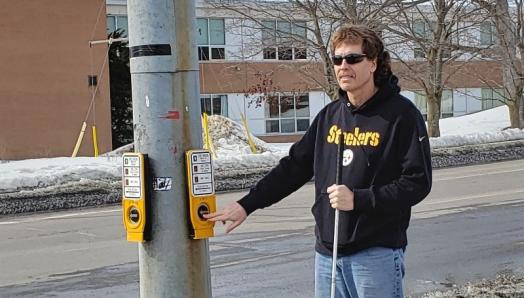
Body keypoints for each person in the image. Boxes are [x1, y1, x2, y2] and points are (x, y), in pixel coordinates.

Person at [204, 24, 432, 298]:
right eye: (337, 59)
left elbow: (417, 182)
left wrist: (359, 199)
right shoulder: (330, 116)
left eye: (353, 59)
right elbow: (293, 168)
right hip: (328, 254)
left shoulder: (401, 115)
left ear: (373, 63)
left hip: (375, 253)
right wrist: (246, 205)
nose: (343, 66)